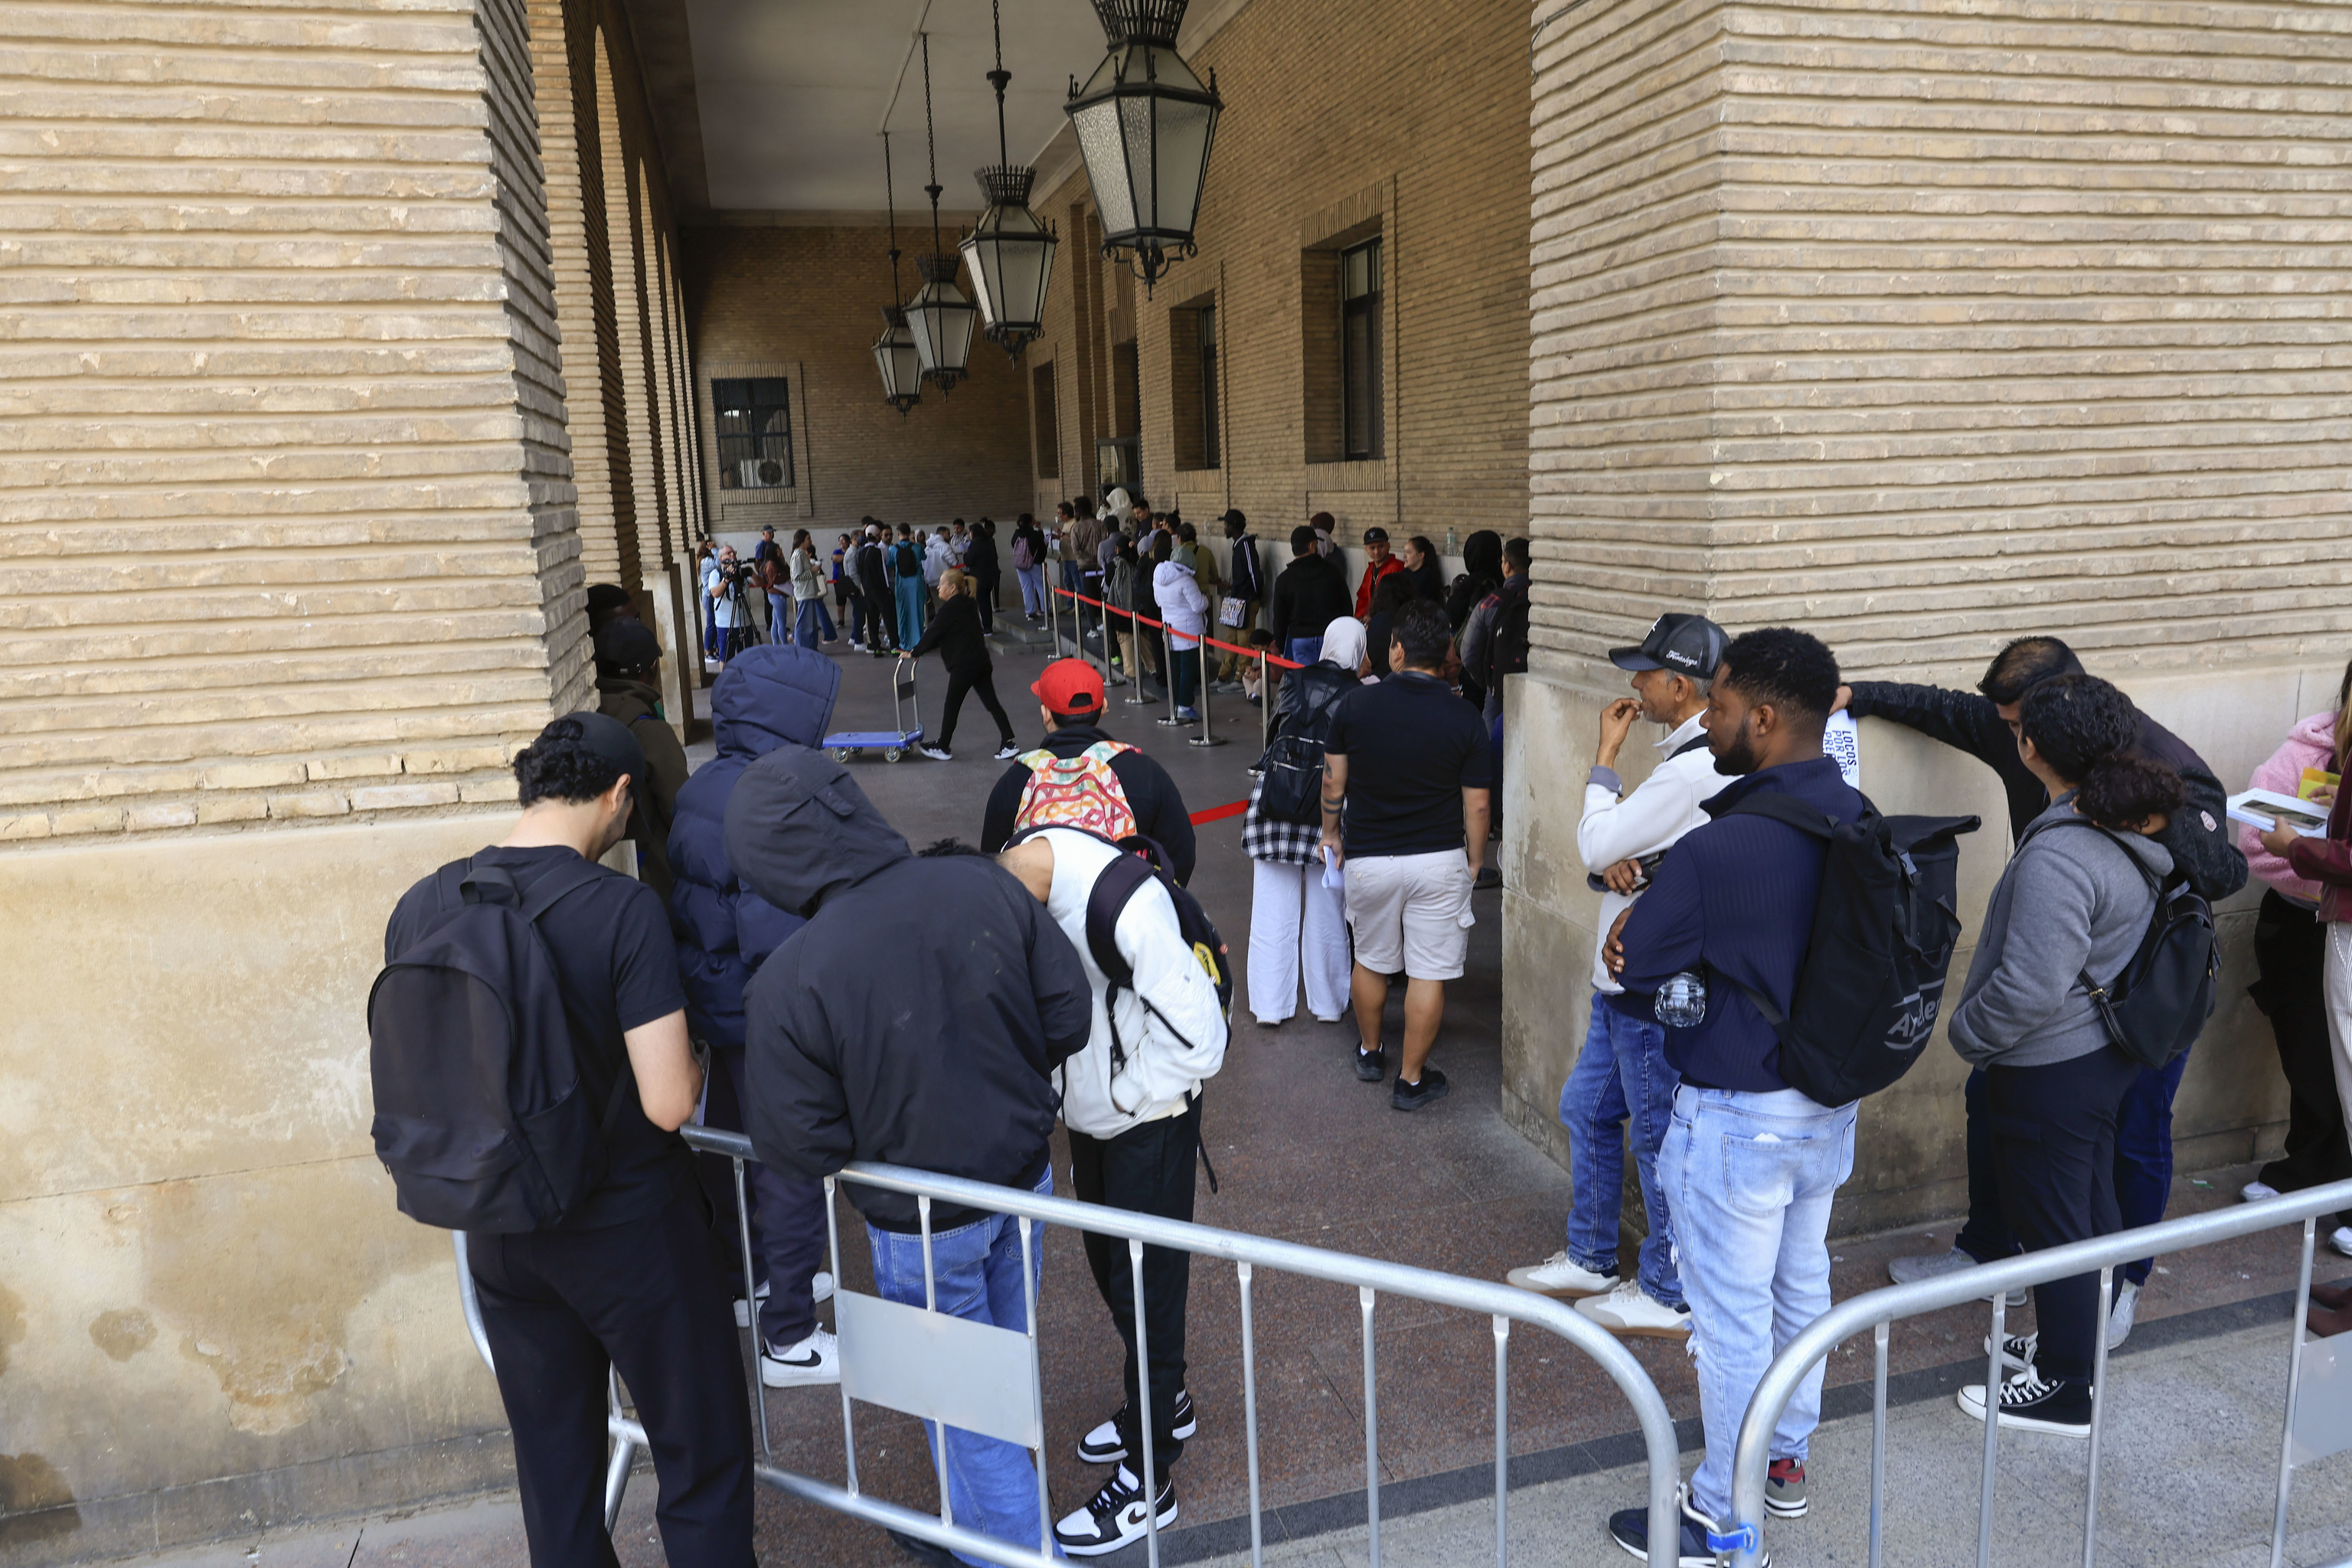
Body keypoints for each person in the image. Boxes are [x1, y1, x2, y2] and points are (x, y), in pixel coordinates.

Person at [385, 714, 753, 1568]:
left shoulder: (424, 902)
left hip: (499, 1230)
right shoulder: (621, 910)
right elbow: (669, 1104)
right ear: (618, 793)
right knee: (700, 1455)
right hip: (628, 1229)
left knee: (556, 1476)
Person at [730, 752, 1091, 1568]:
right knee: (995, 1377)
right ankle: (979, 1536)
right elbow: (1067, 1014)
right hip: (1025, 1182)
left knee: (966, 1403)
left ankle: (1016, 1553)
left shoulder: (791, 976)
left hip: (922, 1223)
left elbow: (800, 1144)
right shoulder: (984, 883)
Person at [1864, 636, 2246, 1338]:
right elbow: (1946, 712)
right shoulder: (2030, 734)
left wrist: (2149, 821)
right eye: (2007, 726)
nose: (2012, 743)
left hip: (2145, 996)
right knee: (1993, 1097)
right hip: (2064, 988)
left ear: (2058, 713)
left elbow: (2226, 871)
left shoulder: (2167, 766)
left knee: (2132, 1133)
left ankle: (2119, 1286)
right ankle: (1988, 1253)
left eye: (2017, 729)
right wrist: (1851, 695)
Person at [1602, 627, 1867, 1563]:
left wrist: (1630, 932)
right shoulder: (1859, 813)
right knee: (1804, 1283)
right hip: (1829, 1103)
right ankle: (1784, 1459)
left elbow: (1637, 957)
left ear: (1761, 718)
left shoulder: (1724, 846)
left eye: (1716, 706)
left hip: (1737, 1113)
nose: (1707, 720)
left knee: (1730, 1316)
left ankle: (1723, 1508)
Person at [1941, 673, 2183, 1433]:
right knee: (2086, 1211)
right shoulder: (2121, 827)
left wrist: (1969, 1035)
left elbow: (2030, 983)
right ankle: (2071, 1345)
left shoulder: (2063, 850)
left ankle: (2063, 1386)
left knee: (2055, 1222)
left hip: (2050, 1065)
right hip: (2099, 1056)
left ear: (2031, 746)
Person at [995, 827, 1227, 1555]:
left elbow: (1207, 1039)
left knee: (1148, 1289)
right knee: (1112, 1274)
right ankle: (1167, 1401)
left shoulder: (1126, 912)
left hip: (1148, 1121)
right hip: (1099, 1121)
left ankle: (1149, 1482)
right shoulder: (1025, 873)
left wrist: (1122, 1098)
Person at [1505, 614, 1725, 1343]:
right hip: (1626, 982)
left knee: (1656, 1134)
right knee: (1588, 1109)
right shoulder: (1693, 761)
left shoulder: (1695, 766)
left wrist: (1604, 757)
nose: (1634, 685)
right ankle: (1593, 1256)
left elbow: (1599, 838)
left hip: (1649, 983)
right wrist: (1614, 865)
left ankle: (1668, 1289)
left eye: (1645, 673)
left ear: (1679, 685)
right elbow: (1620, 858)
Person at [667, 645, 847, 1389]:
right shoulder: (775, 796)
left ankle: (758, 1280)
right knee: (790, 1159)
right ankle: (791, 1335)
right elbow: (779, 932)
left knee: (733, 1148)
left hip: (717, 996)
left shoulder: (708, 780)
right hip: (768, 1009)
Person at [1320, 599, 1493, 1109]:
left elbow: (1334, 778)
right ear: (1444, 654)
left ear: (1395, 650)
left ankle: (1371, 1052)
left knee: (1371, 959)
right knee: (1427, 971)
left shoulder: (1354, 706)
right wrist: (1475, 859)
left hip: (1370, 857)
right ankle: (1412, 1079)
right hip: (1438, 859)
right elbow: (1478, 804)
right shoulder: (1464, 717)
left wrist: (1332, 832)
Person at [2238, 665, 2352, 1257]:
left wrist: (2322, 856)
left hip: (2344, 922)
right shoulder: (2310, 747)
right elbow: (2255, 843)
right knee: (2312, 1057)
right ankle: (2310, 1169)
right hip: (2305, 927)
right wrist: (2319, 869)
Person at [1244, 618, 1367, 1027]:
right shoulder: (1358, 695)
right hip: (1327, 806)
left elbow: (1274, 733)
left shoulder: (1294, 680)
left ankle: (1269, 1005)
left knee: (1270, 907)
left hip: (1277, 796)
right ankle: (1329, 1003)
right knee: (1328, 907)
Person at [982, 659, 1197, 884]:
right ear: (1103, 707)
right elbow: (1181, 854)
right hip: (1120, 910)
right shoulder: (1145, 772)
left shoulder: (1015, 782)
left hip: (1039, 916)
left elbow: (991, 868)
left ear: (1045, 714)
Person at [592, 617, 689, 897]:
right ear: (650, 669)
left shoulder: (591, 714)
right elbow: (681, 808)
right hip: (653, 878)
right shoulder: (649, 731)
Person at [901, 569, 1019, 763]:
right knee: (992, 703)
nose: (938, 587)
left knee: (952, 705)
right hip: (980, 662)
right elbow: (948, 633)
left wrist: (915, 652)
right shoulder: (969, 603)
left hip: (965, 665)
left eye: (941, 584)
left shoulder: (950, 608)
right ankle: (1009, 742)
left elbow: (934, 631)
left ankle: (943, 746)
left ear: (953, 587)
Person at [1266, 524, 1352, 670]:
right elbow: (1346, 607)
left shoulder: (1284, 579)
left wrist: (1280, 648)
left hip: (1300, 641)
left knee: (1307, 684)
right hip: (1330, 638)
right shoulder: (1332, 572)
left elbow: (1280, 618)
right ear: (1312, 546)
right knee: (1330, 683)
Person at [1152, 541, 1210, 723]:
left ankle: (1177, 704)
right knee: (1189, 669)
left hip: (1169, 628)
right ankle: (1186, 706)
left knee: (1176, 669)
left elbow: (1158, 602)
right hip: (1189, 632)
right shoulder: (1186, 581)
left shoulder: (1158, 576)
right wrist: (1205, 598)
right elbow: (1198, 606)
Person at [1446, 532, 1504, 710]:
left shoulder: (1467, 585)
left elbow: (1452, 615)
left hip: (1469, 665)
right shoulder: (1505, 583)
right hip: (1499, 664)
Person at [1214, 510, 1264, 690]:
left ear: (1233, 526)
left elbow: (1254, 574)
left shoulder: (1246, 546)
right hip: (1236, 602)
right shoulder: (1238, 545)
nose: (1224, 528)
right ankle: (1223, 675)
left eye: (1226, 525)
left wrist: (1255, 596)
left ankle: (1240, 679)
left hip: (1246, 601)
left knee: (1244, 641)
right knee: (1231, 640)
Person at [1362, 571, 1419, 679]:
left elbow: (1369, 660)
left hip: (1379, 680)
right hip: (1411, 679)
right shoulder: (1414, 620)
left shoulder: (1378, 622)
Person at [856, 524, 897, 655]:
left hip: (868, 590)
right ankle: (895, 646)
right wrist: (887, 588)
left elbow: (860, 572)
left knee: (872, 619)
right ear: (876, 535)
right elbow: (883, 572)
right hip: (880, 590)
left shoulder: (861, 552)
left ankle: (875, 646)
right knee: (889, 617)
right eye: (879, 534)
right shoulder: (877, 551)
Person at [1351, 525, 1405, 619]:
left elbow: (1394, 601)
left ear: (1388, 546)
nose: (1377, 551)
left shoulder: (1397, 567)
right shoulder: (1370, 569)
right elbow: (1363, 597)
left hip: (1390, 619)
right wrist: (1359, 617)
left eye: (1381, 546)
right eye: (1372, 548)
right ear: (1366, 550)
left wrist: (1374, 617)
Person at [891, 524, 928, 647]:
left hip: (901, 584)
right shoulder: (917, 547)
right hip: (916, 583)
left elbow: (890, 563)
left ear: (898, 534)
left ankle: (904, 641)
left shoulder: (893, 549)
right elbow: (924, 557)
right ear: (910, 533)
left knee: (902, 613)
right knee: (918, 612)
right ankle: (918, 641)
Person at [965, 517, 1001, 633]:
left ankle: (987, 628)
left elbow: (969, 561)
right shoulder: (989, 542)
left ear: (973, 533)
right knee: (986, 603)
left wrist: (965, 554)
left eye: (970, 533)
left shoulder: (974, 545)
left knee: (983, 603)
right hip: (991, 576)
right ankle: (987, 626)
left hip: (979, 578)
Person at [1012, 514, 1048, 620]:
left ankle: (1030, 612)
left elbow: (1013, 546)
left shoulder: (1016, 534)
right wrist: (1040, 529)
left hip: (1020, 565)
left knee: (1026, 588)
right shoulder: (1035, 534)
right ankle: (1046, 609)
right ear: (1030, 522)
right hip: (1035, 564)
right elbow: (1042, 547)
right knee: (1041, 586)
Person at [1400, 534, 1444, 603]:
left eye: (1408, 552)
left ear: (1421, 555)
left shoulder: (1428, 576)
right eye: (1404, 552)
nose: (1404, 556)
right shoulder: (1406, 572)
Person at [832, 532, 858, 647]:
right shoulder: (838, 552)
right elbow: (835, 559)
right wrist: (848, 557)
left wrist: (846, 557)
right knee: (840, 601)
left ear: (848, 542)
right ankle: (841, 621)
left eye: (843, 540)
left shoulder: (852, 551)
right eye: (840, 541)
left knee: (854, 600)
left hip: (851, 580)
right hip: (839, 580)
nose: (841, 542)